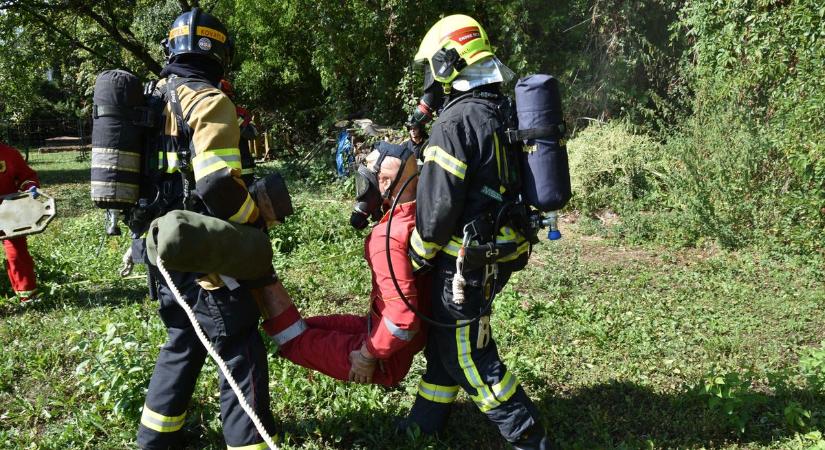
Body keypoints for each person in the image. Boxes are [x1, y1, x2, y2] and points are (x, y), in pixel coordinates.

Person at [403, 15, 550, 449]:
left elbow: (436, 212)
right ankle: (424, 424)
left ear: (449, 63)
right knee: (447, 339)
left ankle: (529, 437)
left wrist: (415, 256)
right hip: (500, 249)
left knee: (467, 354)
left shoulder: (456, 123)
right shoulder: (501, 109)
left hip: (466, 261)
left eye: (434, 67)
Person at [136, 8, 276, 449]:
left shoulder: (152, 98)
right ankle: (249, 441)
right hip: (206, 253)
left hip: (160, 246)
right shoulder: (209, 100)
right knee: (238, 344)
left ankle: (155, 439)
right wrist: (253, 218)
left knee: (183, 337)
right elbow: (217, 182)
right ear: (220, 54)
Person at [259, 142, 430, 386]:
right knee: (309, 326)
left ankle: (256, 271)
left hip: (388, 357)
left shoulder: (386, 237)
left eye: (366, 182)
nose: (363, 192)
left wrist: (367, 355)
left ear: (384, 183)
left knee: (292, 340)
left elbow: (403, 319)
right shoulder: (421, 215)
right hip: (383, 329)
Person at [0, 141, 40, 303]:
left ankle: (27, 295)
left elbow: (26, 177)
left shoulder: (10, 154)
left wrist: (30, 187)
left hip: (10, 213)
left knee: (17, 253)